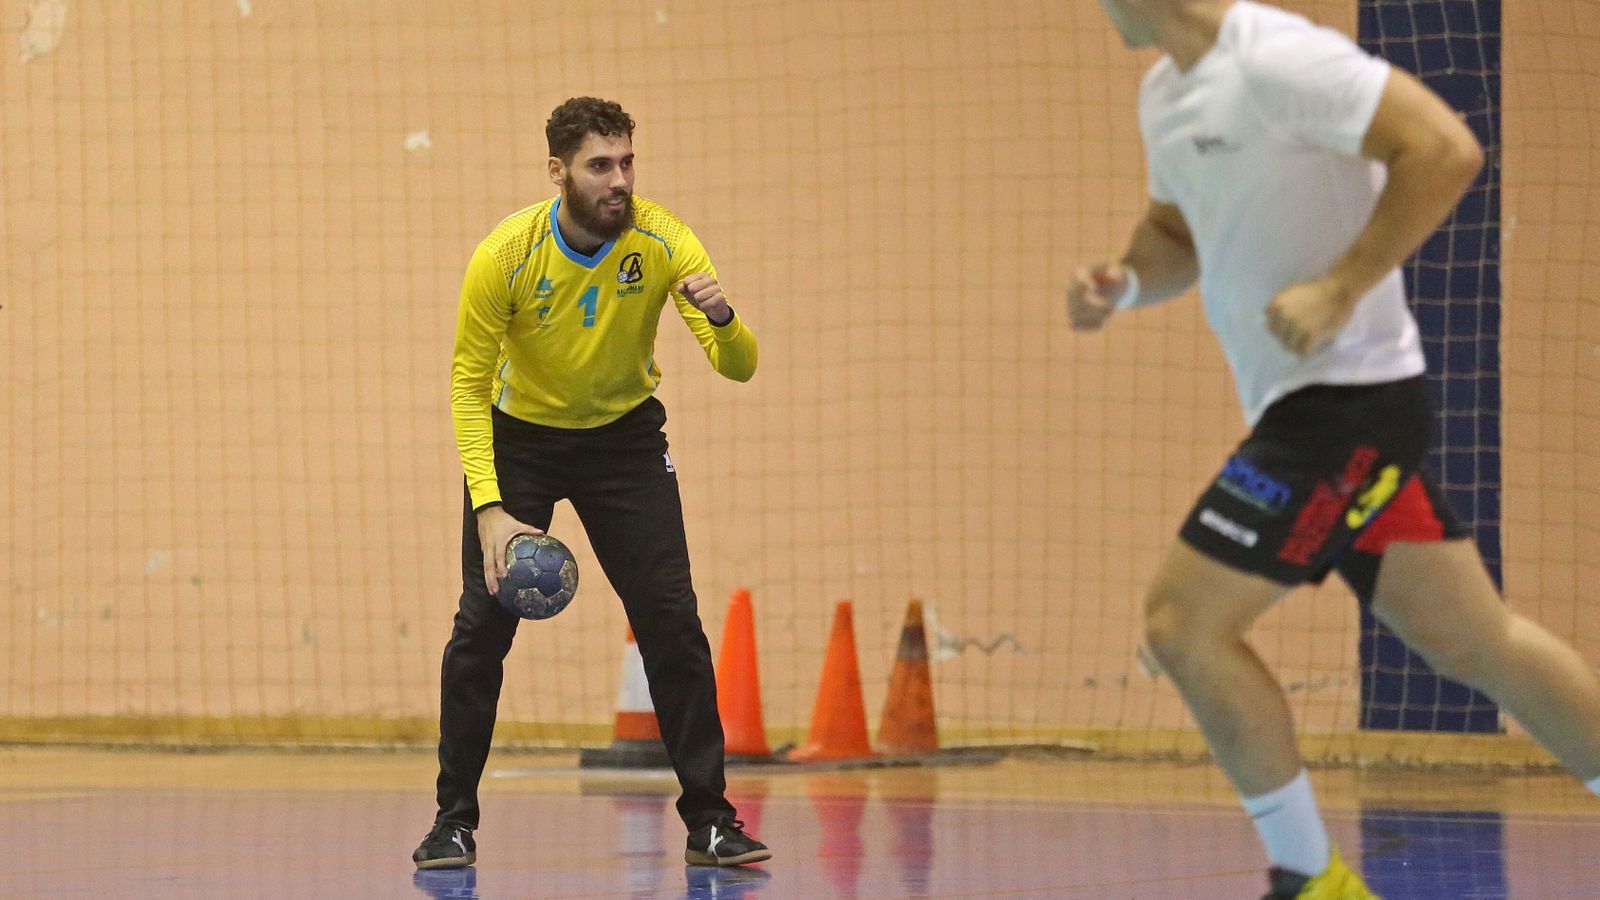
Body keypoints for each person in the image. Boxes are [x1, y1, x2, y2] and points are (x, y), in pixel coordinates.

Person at [1071, 2, 1600, 898]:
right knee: (1476, 641)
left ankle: (1311, 880)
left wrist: (1340, 288)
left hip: (1347, 406)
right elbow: (1173, 235)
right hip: (1312, 409)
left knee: (1183, 625)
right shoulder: (1164, 94)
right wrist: (1124, 281)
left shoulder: (1281, 59)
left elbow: (1444, 150)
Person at [413, 97, 770, 871]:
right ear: (559, 172)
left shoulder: (664, 241)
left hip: (624, 442)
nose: (620, 181)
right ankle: (452, 824)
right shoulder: (506, 256)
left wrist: (725, 318)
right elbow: (469, 387)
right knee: (480, 629)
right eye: (600, 165)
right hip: (521, 441)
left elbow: (737, 365)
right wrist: (490, 508)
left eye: (627, 162)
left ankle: (712, 823)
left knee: (672, 620)